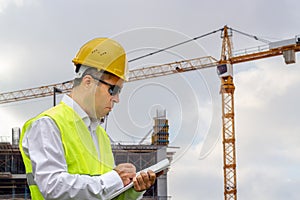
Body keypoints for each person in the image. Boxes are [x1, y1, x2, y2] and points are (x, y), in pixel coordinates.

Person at [19, 38, 157, 200]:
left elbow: (104, 193)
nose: (117, 99)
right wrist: (114, 179)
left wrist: (132, 189)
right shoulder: (48, 124)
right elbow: (53, 187)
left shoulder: (100, 136)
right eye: (113, 90)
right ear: (88, 82)